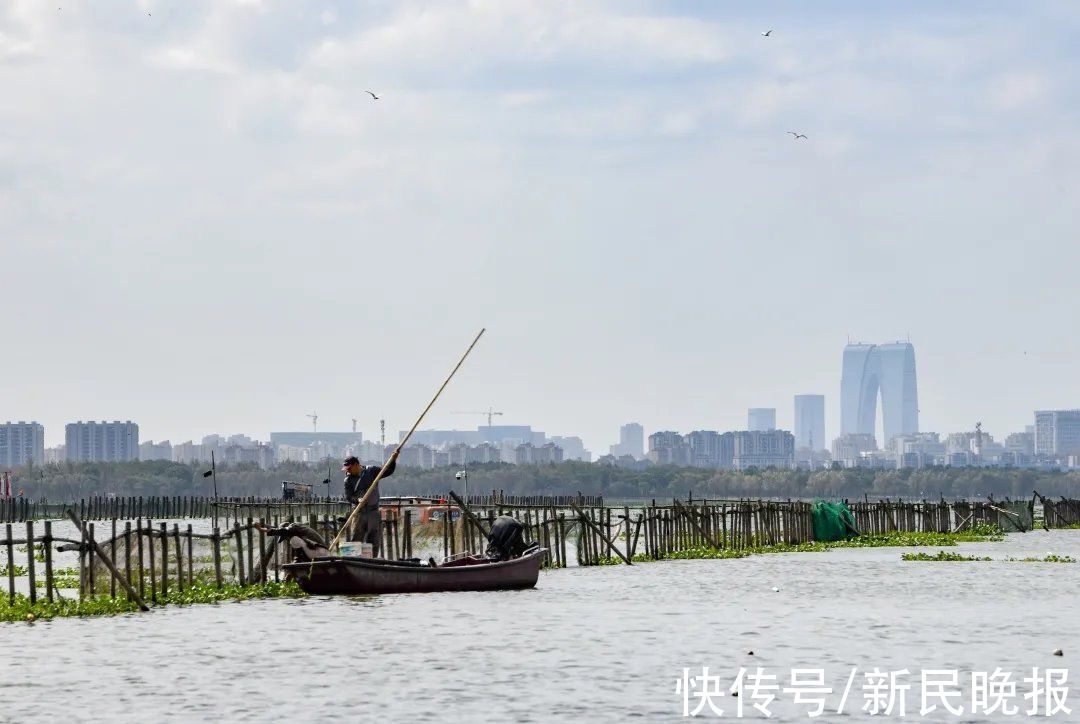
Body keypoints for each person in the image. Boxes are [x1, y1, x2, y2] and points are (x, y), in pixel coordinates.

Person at [342, 451, 399, 556]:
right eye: (347, 469)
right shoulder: (348, 480)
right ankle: (353, 560)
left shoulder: (371, 471)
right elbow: (349, 497)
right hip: (359, 512)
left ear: (356, 465)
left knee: (373, 537)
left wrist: (393, 459)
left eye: (349, 468)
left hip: (373, 511)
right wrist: (357, 500)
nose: (348, 471)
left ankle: (372, 559)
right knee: (356, 537)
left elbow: (388, 471)